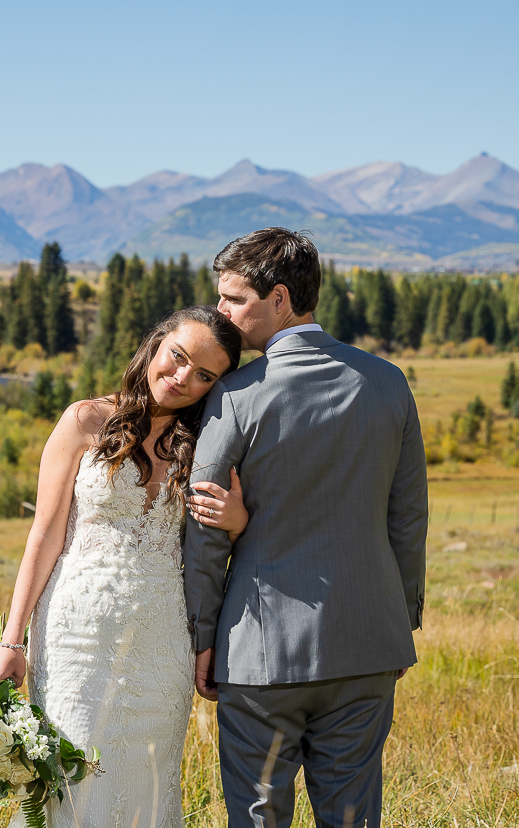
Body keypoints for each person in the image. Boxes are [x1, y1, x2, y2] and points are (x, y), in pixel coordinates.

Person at [183, 227, 428, 828]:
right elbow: (408, 518)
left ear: (281, 300)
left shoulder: (236, 395)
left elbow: (207, 526)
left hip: (260, 653)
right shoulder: (389, 382)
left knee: (258, 816)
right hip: (368, 641)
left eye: (233, 299)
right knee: (351, 818)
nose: (221, 313)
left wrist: (202, 636)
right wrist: (400, 620)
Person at [0, 305, 248, 827]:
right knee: (72, 779)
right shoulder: (84, 420)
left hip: (163, 640)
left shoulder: (208, 444)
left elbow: (213, 544)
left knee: (149, 783)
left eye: (204, 376)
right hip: (75, 636)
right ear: (156, 345)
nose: (181, 379)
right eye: (177, 358)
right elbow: (44, 533)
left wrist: (237, 523)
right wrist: (11, 639)